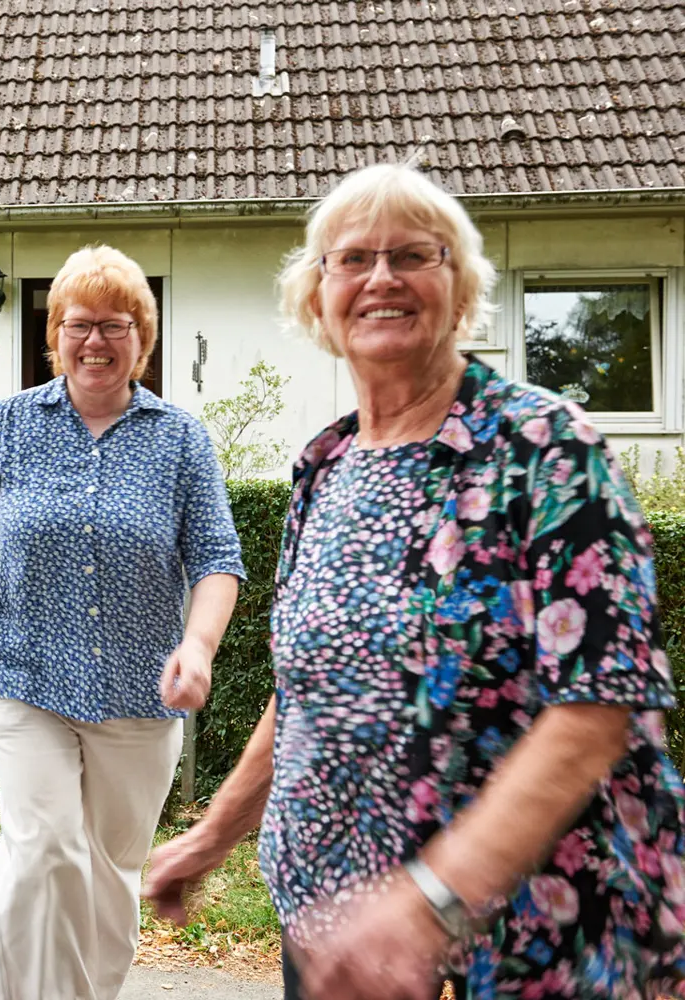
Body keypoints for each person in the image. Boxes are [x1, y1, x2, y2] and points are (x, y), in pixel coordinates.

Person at [143, 162, 685, 1000]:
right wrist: (212, 835)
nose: (381, 278)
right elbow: (308, 689)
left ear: (459, 288)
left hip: (532, 937)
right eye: (352, 259)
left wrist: (428, 902)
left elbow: (599, 709)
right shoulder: (325, 465)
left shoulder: (547, 447)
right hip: (337, 924)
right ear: (316, 298)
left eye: (413, 256)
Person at [0, 245, 244, 1000]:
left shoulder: (180, 440)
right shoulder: (10, 424)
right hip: (26, 678)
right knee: (44, 846)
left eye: (114, 325)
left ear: (141, 338)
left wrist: (199, 645)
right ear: (54, 332)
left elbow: (218, 559)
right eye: (79, 324)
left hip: (139, 694)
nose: (95, 341)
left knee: (108, 884)